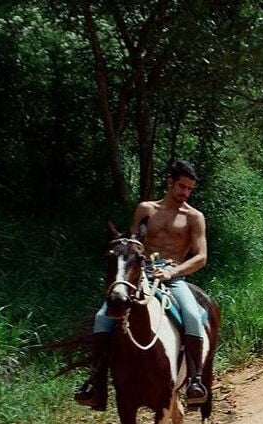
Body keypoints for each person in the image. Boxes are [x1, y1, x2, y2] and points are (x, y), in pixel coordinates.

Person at [74, 159, 209, 411]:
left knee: (192, 314)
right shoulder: (146, 209)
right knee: (102, 317)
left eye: (190, 189)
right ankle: (96, 383)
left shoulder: (194, 217)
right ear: (170, 182)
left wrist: (172, 272)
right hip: (139, 275)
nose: (185, 193)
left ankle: (194, 381)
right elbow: (132, 244)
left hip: (173, 276)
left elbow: (201, 257)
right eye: (181, 186)